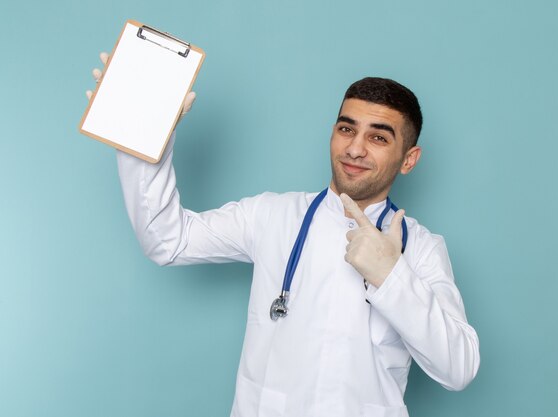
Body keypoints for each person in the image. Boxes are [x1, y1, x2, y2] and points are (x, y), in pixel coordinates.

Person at [87, 53, 480, 417]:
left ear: (408, 159)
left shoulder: (423, 249)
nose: (355, 148)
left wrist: (392, 278)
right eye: (347, 128)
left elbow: (458, 368)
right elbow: (166, 240)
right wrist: (140, 131)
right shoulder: (272, 215)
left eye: (378, 137)